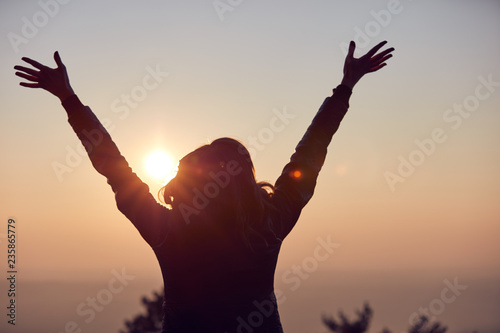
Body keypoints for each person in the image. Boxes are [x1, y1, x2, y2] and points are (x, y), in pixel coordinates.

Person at [14, 40, 394, 333]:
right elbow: (309, 155)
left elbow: (114, 167)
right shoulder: (269, 224)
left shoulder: (168, 231)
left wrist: (69, 99)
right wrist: (345, 87)